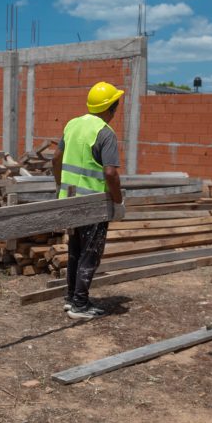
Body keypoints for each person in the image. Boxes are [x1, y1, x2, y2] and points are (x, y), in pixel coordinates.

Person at [52, 81, 126, 320]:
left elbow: (56, 159)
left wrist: (60, 187)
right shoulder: (105, 133)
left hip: (69, 200)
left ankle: (71, 298)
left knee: (75, 250)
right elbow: (110, 173)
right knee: (90, 253)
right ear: (111, 108)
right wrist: (118, 202)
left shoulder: (72, 124)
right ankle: (80, 305)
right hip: (92, 205)